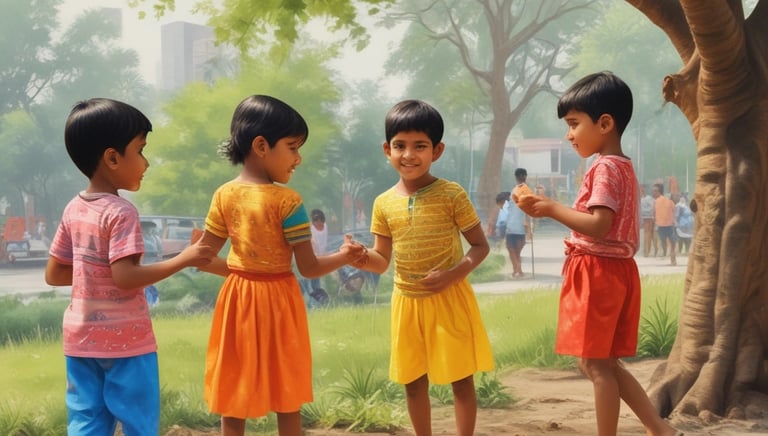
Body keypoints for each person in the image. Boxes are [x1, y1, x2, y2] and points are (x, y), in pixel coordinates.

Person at [515, 72, 681, 436]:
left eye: (574, 124)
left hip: (597, 271)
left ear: (605, 123)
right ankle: (659, 428)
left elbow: (599, 225)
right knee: (605, 364)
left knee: (595, 366)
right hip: (616, 271)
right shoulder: (623, 166)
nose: (568, 134)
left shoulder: (603, 167)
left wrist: (549, 208)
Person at [192, 95, 365, 436]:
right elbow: (310, 269)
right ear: (261, 145)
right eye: (292, 147)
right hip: (280, 302)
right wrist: (345, 256)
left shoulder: (223, 195)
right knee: (288, 390)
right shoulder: (288, 201)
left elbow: (201, 256)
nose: (298, 158)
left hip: (237, 301)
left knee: (234, 387)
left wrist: (240, 270)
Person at [44, 98, 215, 436]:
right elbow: (125, 278)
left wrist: (94, 277)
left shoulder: (73, 208)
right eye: (140, 150)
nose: (146, 162)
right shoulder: (121, 212)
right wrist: (185, 257)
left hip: (80, 340)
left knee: (86, 423)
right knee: (139, 423)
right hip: (126, 342)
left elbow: (55, 273)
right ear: (112, 157)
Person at [350, 99, 494, 436]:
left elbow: (480, 246)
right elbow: (381, 260)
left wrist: (452, 275)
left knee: (461, 381)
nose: (409, 155)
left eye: (420, 146)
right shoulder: (382, 203)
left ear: (437, 150)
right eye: (400, 146)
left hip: (449, 301)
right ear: (387, 149)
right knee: (413, 384)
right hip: (407, 304)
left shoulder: (451, 195)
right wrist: (360, 256)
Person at [505, 168, 531, 278]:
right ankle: (517, 269)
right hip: (515, 225)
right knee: (514, 250)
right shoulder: (522, 190)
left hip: (516, 225)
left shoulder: (519, 190)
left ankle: (517, 269)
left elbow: (529, 209)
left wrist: (528, 225)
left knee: (513, 250)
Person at [652, 183, 677, 266]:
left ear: (659, 191)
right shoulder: (669, 201)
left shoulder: (657, 201)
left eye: (654, 191)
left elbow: (654, 214)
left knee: (665, 242)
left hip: (664, 225)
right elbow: (674, 211)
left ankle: (669, 256)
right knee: (671, 242)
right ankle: (670, 257)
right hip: (667, 225)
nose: (653, 193)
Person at [639, 184, 657, 257]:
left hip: (649, 218)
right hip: (644, 218)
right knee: (648, 235)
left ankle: (647, 252)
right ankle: (647, 251)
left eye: (642, 189)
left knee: (648, 235)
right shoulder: (640, 199)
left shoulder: (648, 198)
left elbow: (653, 207)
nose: (641, 190)